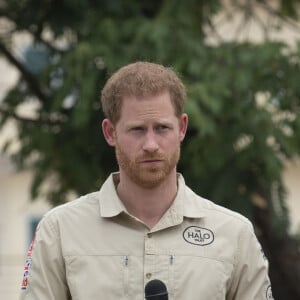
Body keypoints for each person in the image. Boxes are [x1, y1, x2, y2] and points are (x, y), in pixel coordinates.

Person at [19, 61, 273, 299]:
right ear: (110, 132)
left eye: (162, 128)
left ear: (182, 128)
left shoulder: (234, 233)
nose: (151, 145)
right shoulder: (60, 230)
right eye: (137, 129)